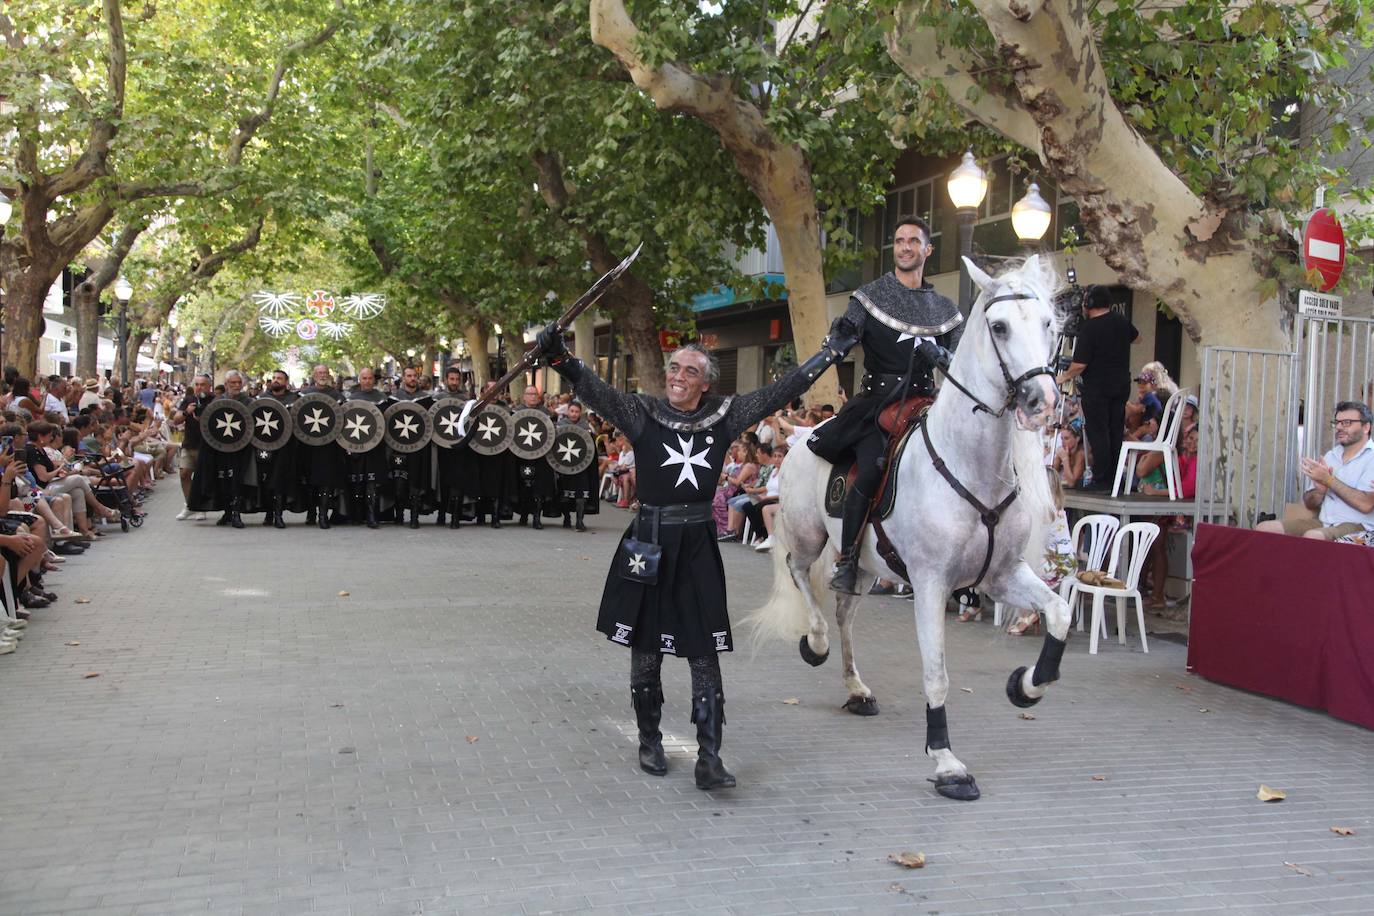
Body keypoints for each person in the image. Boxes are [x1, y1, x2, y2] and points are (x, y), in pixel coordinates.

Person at [537, 323, 846, 791]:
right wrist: (560, 357)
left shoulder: (724, 416)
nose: (678, 376)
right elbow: (596, 390)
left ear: (705, 382)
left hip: (698, 547)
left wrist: (830, 352)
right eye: (674, 368)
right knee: (646, 654)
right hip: (649, 543)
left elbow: (782, 388)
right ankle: (649, 740)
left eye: (690, 370)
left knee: (704, 654)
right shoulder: (642, 412)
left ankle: (710, 757)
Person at [807, 215, 961, 594]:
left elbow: (961, 361)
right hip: (877, 409)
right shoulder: (870, 295)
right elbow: (845, 331)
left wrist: (940, 353)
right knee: (874, 466)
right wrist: (840, 336)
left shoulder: (944, 308)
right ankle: (847, 559)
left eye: (913, 241)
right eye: (899, 240)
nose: (905, 247)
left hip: (927, 405)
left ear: (928, 249)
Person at [1057, 285, 1139, 491]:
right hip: (1120, 386)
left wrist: (1062, 377)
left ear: (1089, 303)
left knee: (1099, 433)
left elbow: (1079, 365)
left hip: (1098, 388)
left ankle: (1102, 480)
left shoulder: (1090, 328)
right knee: (1114, 431)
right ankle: (1115, 478)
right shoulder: (1121, 321)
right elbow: (1138, 338)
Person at [1256, 401, 1374, 541]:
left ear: (1366, 427)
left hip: (1359, 526)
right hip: (1323, 522)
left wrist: (1329, 480)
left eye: (1347, 423)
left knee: (1313, 536)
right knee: (1264, 529)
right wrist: (1320, 491)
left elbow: (1365, 505)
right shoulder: (1331, 455)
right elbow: (1309, 503)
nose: (1339, 427)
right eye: (1337, 422)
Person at [1004, 469, 1076, 633]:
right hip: (1065, 561)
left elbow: (1031, 541)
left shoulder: (1045, 513)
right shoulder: (1058, 510)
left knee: (1023, 572)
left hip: (1057, 563)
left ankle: (1028, 613)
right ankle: (1029, 613)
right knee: (1026, 567)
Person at [300, 365, 347, 529]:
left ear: (329, 375)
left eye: (325, 373)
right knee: (309, 479)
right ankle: (311, 512)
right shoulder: (303, 395)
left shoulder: (337, 396)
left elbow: (343, 419)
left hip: (328, 445)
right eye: (319, 373)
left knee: (325, 480)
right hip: (307, 444)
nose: (322, 375)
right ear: (314, 375)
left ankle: (323, 515)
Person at [387, 366, 434, 528]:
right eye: (409, 376)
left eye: (415, 376)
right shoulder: (392, 399)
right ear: (403, 378)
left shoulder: (426, 399)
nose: (412, 378)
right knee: (399, 482)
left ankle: (414, 516)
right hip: (398, 447)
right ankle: (399, 514)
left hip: (419, 447)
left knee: (416, 481)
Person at [345, 367, 390, 529]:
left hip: (376, 446)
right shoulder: (351, 398)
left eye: (369, 378)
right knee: (357, 481)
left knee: (372, 482)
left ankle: (372, 516)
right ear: (359, 380)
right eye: (364, 378)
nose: (367, 381)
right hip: (355, 445)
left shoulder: (382, 398)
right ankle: (356, 515)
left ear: (374, 380)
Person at [256, 369, 300, 529]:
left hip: (285, 447)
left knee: (280, 480)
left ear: (286, 382)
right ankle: (268, 513)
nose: (276, 380)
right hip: (264, 446)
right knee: (265, 479)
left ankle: (278, 514)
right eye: (274, 378)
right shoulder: (261, 399)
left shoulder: (295, 399)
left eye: (279, 378)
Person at [511, 385, 558, 530]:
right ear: (524, 396)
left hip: (541, 457)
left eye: (535, 394)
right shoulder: (516, 412)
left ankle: (537, 516)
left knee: (539, 488)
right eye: (530, 394)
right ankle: (523, 513)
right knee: (524, 486)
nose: (533, 397)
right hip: (522, 456)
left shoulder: (546, 414)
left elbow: (552, 433)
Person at [172, 374, 214, 520]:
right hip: (189, 443)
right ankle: (190, 504)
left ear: (209, 386)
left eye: (202, 384)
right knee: (184, 474)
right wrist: (186, 412)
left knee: (201, 477)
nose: (199, 387)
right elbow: (176, 420)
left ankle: (201, 506)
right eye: (197, 384)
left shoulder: (215, 400)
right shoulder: (189, 400)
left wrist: (204, 419)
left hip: (207, 445)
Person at [556, 400, 599, 532]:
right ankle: (567, 517)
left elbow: (591, 449)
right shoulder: (560, 426)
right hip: (564, 467)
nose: (574, 414)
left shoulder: (586, 427)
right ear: (568, 411)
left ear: (580, 413)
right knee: (565, 497)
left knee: (581, 496)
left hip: (582, 467)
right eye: (572, 411)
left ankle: (579, 521)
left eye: (577, 411)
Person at [1052, 422, 1087, 489]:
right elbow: (1051, 478)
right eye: (1062, 438)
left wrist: (1065, 459)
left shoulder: (1081, 454)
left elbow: (1071, 483)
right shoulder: (1063, 452)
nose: (1063, 442)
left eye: (1066, 438)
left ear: (1077, 438)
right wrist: (1057, 459)